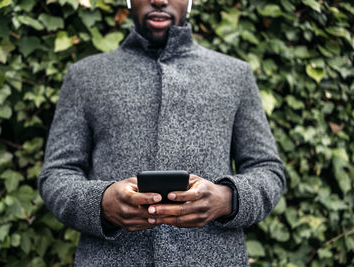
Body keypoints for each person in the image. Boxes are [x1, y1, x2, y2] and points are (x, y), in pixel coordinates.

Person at [38, 0, 286, 265]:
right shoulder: (85, 76)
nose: (159, 0)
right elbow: (56, 175)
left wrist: (228, 199)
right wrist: (100, 203)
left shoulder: (235, 75)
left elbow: (268, 170)